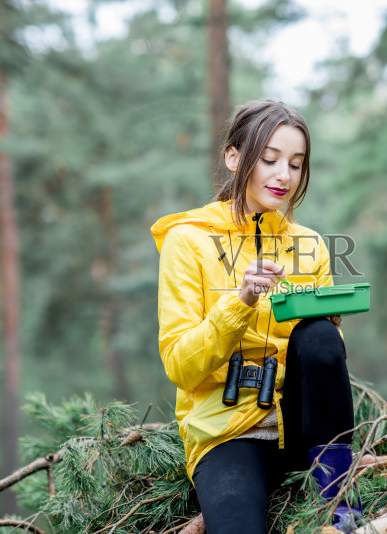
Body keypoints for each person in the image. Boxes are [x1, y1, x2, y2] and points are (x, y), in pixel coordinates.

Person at [151, 100, 359, 533]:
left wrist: (332, 332)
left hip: (303, 430)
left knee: (319, 333)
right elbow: (179, 365)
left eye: (296, 164)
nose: (284, 175)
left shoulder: (312, 245)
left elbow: (324, 362)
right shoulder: (187, 241)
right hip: (229, 431)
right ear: (234, 157)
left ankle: (340, 500)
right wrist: (240, 300)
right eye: (270, 159)